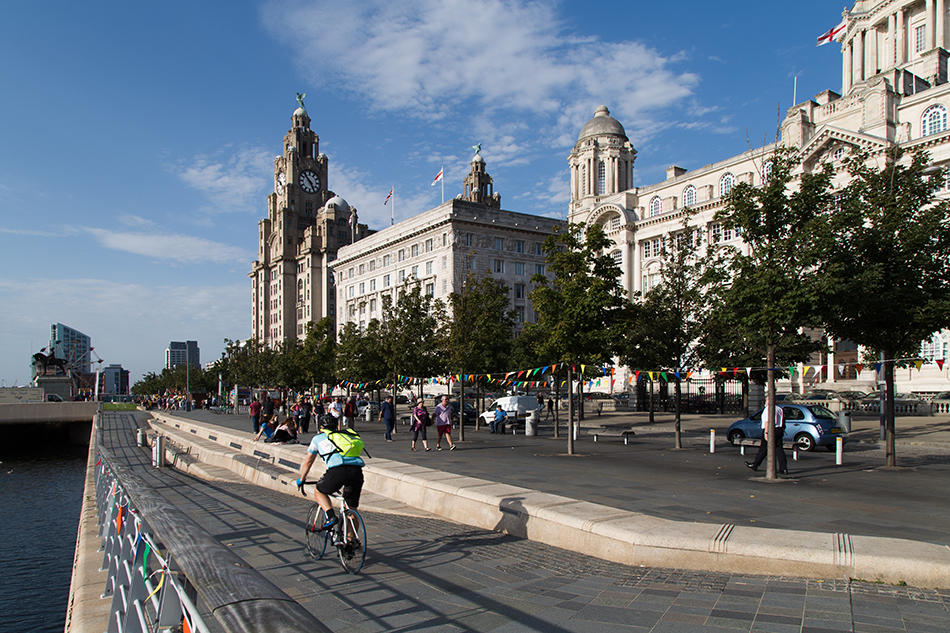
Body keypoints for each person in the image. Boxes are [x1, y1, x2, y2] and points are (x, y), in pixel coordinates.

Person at [295, 416, 365, 534]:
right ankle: (350, 543)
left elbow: (308, 462)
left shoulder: (318, 439)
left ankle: (331, 516)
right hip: (356, 471)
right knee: (352, 509)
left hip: (337, 471)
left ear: (321, 427)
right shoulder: (345, 436)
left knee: (319, 490)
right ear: (336, 425)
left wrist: (302, 479)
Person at [747, 403, 788, 474]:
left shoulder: (768, 409)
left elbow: (767, 421)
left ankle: (755, 464)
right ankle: (783, 468)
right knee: (779, 449)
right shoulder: (779, 409)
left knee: (763, 448)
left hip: (770, 429)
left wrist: (766, 432)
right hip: (779, 429)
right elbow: (783, 420)